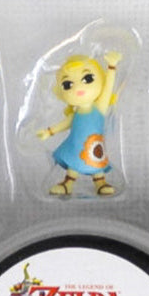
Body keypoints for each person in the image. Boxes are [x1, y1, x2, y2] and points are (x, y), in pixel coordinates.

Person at [36, 52, 121, 196]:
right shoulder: (75, 114)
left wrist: (111, 67)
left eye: (88, 79)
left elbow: (108, 89)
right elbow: (64, 123)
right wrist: (48, 132)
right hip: (75, 146)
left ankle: (100, 183)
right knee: (73, 163)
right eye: (68, 84)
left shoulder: (99, 107)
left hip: (94, 146)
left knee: (96, 164)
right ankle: (68, 184)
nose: (77, 88)